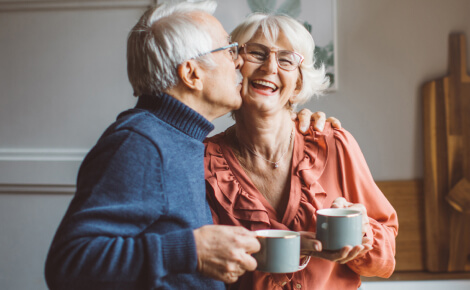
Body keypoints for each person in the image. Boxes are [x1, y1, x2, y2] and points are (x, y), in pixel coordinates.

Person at [44, 1, 332, 289]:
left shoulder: (180, 138)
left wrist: (246, 245)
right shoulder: (141, 144)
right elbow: (68, 264)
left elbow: (168, 236)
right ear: (192, 74)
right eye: (228, 50)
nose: (239, 62)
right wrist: (192, 251)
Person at [204, 12, 398, 290]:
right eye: (257, 53)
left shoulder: (334, 143)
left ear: (297, 84)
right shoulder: (204, 162)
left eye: (286, 59)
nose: (270, 67)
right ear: (235, 67)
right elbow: (200, 265)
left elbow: (387, 252)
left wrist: (363, 234)